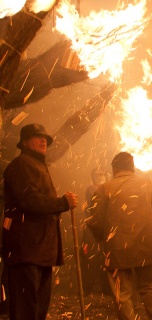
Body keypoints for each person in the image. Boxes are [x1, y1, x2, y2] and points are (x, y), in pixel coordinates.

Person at [2, 123, 78, 319]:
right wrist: (62, 202)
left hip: (40, 251)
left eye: (45, 137)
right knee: (25, 310)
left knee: (37, 309)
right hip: (26, 250)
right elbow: (29, 200)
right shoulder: (21, 165)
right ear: (25, 142)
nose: (44, 140)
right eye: (38, 137)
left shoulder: (37, 165)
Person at [86, 152, 152, 320]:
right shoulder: (147, 184)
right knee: (150, 287)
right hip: (146, 246)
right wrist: (148, 228)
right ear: (132, 167)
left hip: (117, 248)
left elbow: (95, 221)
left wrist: (104, 238)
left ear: (114, 168)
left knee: (122, 293)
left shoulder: (105, 188)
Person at [81, 167, 110, 296]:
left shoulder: (108, 188)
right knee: (91, 259)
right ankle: (87, 288)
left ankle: (106, 287)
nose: (100, 176)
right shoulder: (90, 189)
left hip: (105, 229)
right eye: (97, 174)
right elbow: (94, 206)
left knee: (105, 258)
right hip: (92, 229)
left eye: (102, 174)